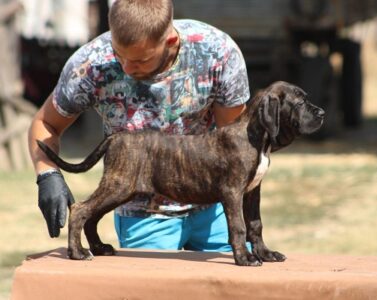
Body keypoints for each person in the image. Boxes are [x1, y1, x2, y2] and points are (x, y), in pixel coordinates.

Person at [28, 0, 250, 252]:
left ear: (170, 43)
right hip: (144, 216)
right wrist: (47, 174)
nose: (126, 67)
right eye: (118, 54)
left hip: (214, 209)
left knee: (233, 288)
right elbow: (45, 123)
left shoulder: (217, 53)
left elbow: (234, 143)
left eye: (140, 60)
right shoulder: (91, 62)